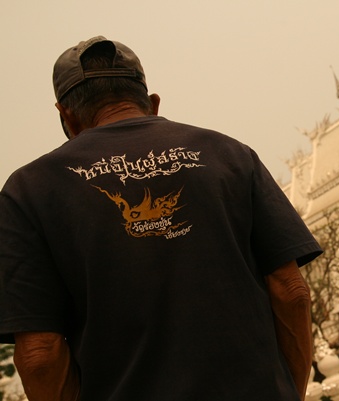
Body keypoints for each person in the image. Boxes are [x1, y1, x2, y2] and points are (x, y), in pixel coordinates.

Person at [0, 36, 322, 401]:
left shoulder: (29, 191)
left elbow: (40, 354)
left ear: (67, 116)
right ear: (152, 103)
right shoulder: (229, 154)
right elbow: (292, 293)